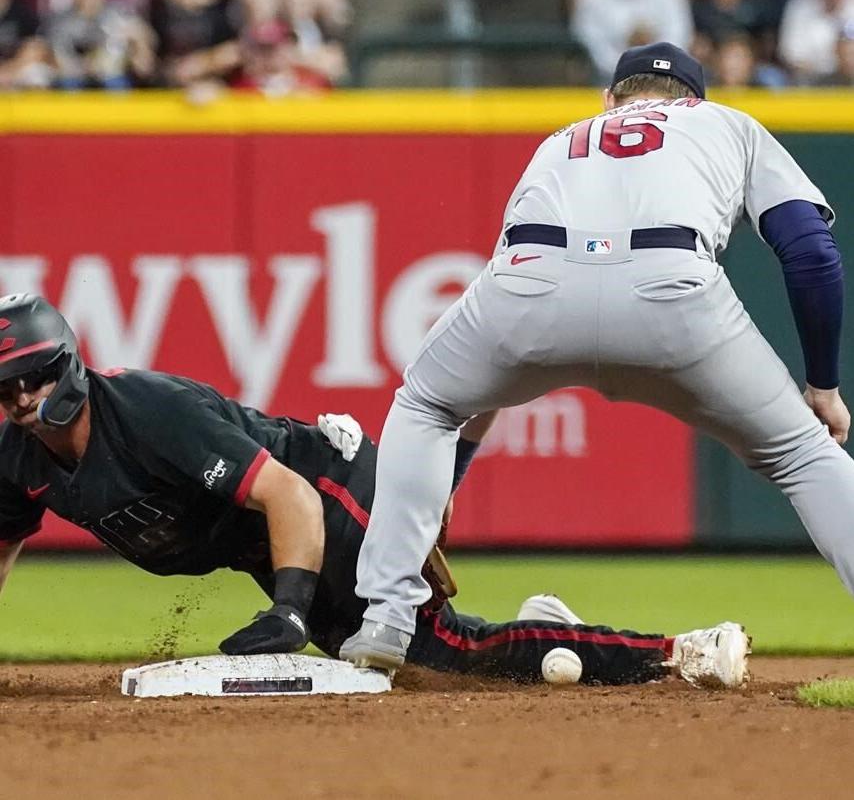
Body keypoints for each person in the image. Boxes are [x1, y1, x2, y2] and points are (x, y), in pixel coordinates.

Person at [339, 40, 853, 673]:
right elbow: (811, 254)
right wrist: (823, 384)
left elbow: (497, 345)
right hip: (671, 288)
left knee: (426, 404)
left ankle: (387, 619)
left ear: (611, 99)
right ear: (694, 99)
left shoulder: (564, 139)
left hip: (534, 277)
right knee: (802, 453)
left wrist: (446, 474)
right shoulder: (728, 125)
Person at [0, 293, 749, 688]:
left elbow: (288, 494)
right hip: (275, 540)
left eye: (37, 375)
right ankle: (539, 612)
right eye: (9, 386)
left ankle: (680, 650)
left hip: (323, 490)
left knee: (440, 653)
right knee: (386, 662)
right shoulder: (14, 455)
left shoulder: (147, 408)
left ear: (69, 361)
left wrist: (287, 611)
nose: (26, 397)